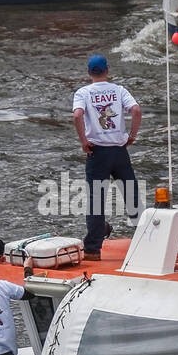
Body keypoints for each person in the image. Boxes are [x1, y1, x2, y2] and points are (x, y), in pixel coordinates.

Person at [72, 54, 141, 261]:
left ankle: (93, 249)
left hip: (97, 151)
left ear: (88, 72)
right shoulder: (119, 90)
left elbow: (77, 115)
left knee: (96, 201)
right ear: (107, 70)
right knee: (131, 195)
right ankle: (144, 240)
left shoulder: (83, 92)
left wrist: (83, 141)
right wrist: (132, 135)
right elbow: (136, 110)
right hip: (119, 151)